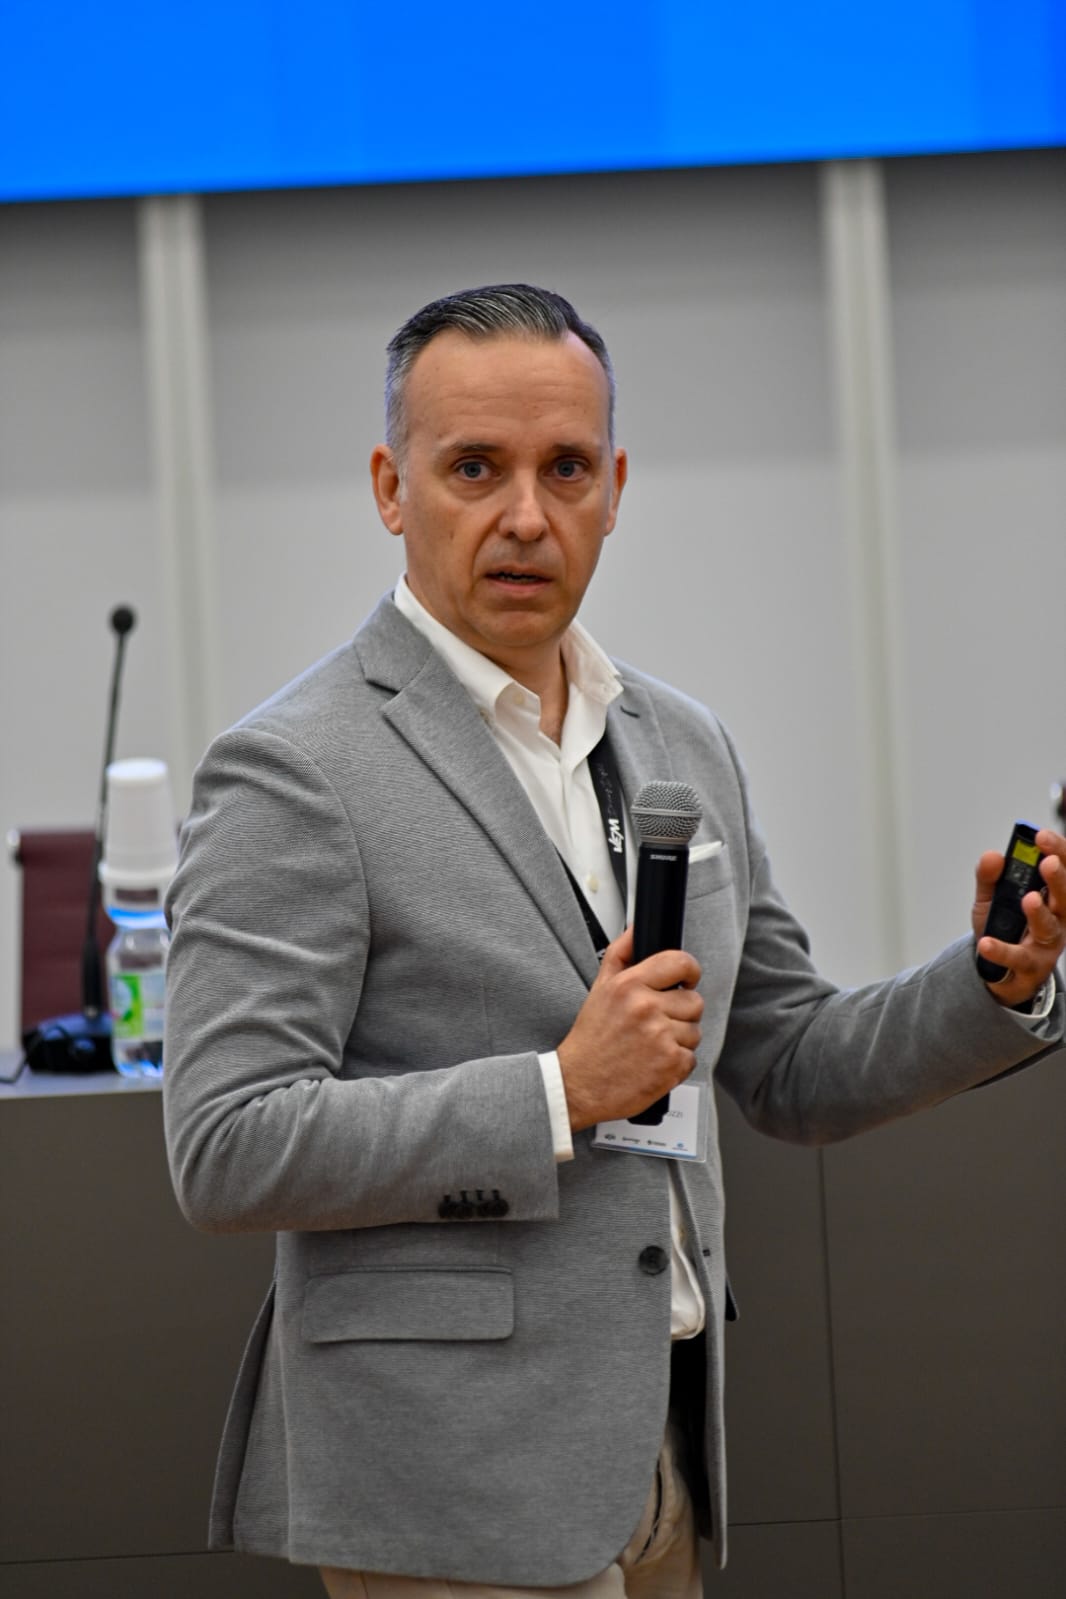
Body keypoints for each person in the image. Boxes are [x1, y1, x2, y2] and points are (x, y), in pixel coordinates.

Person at [162, 284, 1066, 1599]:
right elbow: (228, 1146)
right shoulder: (294, 770)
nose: (527, 515)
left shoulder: (681, 742)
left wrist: (990, 983)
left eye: (566, 469)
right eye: (475, 467)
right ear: (391, 488)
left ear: (616, 487)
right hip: (448, 1477)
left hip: (662, 1447)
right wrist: (558, 1092)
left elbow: (791, 1062)